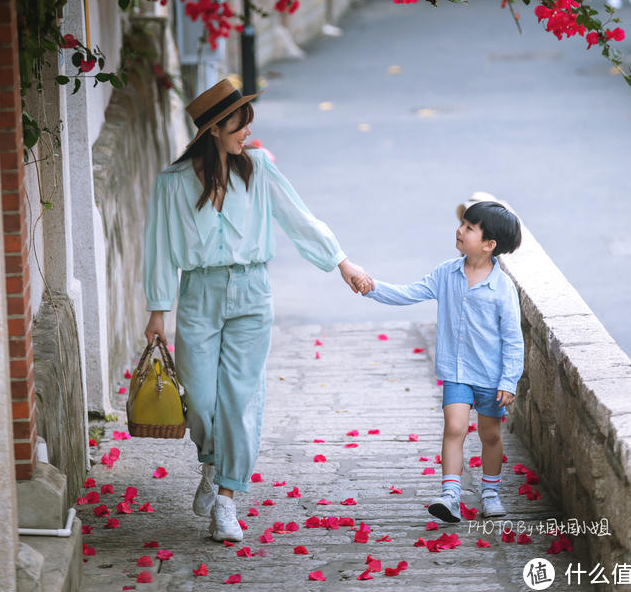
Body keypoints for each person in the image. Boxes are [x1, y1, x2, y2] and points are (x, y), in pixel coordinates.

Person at [143, 78, 369, 543]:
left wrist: (340, 261)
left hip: (251, 293)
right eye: (237, 126)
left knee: (240, 402)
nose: (246, 134)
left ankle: (225, 501)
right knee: (202, 402)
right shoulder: (172, 183)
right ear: (211, 130)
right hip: (198, 295)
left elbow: (298, 217)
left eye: (247, 124)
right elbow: (160, 248)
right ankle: (214, 465)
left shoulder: (260, 168)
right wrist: (157, 310)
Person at [355, 193, 523, 522]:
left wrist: (509, 380)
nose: (460, 230)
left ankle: (490, 492)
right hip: (457, 372)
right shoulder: (446, 273)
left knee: (490, 435)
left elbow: (512, 338)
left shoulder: (502, 288)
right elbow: (409, 292)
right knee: (454, 428)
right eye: (462, 224)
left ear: (489, 244)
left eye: (470, 227)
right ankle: (450, 495)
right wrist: (372, 287)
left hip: (490, 376)